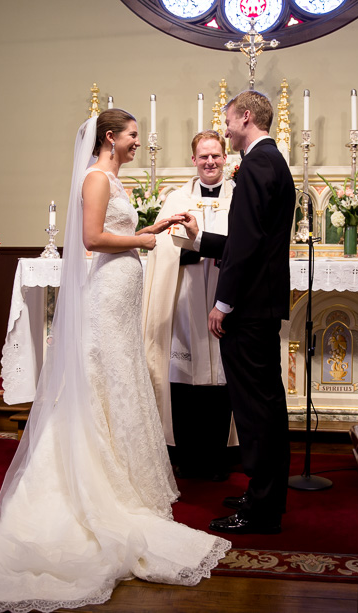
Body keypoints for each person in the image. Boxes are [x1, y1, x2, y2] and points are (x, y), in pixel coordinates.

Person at [0, 109, 230, 612]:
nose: (139, 142)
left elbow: (117, 228)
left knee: (120, 381)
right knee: (101, 380)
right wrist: (143, 240)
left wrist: (155, 225)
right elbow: (93, 239)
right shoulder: (96, 177)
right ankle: (89, 483)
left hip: (122, 293)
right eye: (133, 135)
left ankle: (120, 475)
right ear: (111, 138)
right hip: (108, 291)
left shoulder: (112, 176)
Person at [182, 90, 296, 535]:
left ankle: (263, 508)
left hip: (248, 308)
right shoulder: (272, 162)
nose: (225, 128)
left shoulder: (254, 165)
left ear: (245, 117)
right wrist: (201, 241)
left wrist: (222, 302)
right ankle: (263, 494)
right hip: (261, 303)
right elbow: (253, 240)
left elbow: (248, 246)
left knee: (256, 410)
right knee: (264, 404)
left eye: (228, 120)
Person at [142, 130, 236, 482]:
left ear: (225, 158)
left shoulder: (239, 197)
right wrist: (198, 248)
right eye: (203, 156)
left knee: (223, 376)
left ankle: (218, 457)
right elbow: (163, 250)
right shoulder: (177, 199)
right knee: (182, 375)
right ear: (194, 160)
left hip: (226, 301)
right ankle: (186, 455)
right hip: (185, 297)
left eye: (215, 156)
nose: (209, 162)